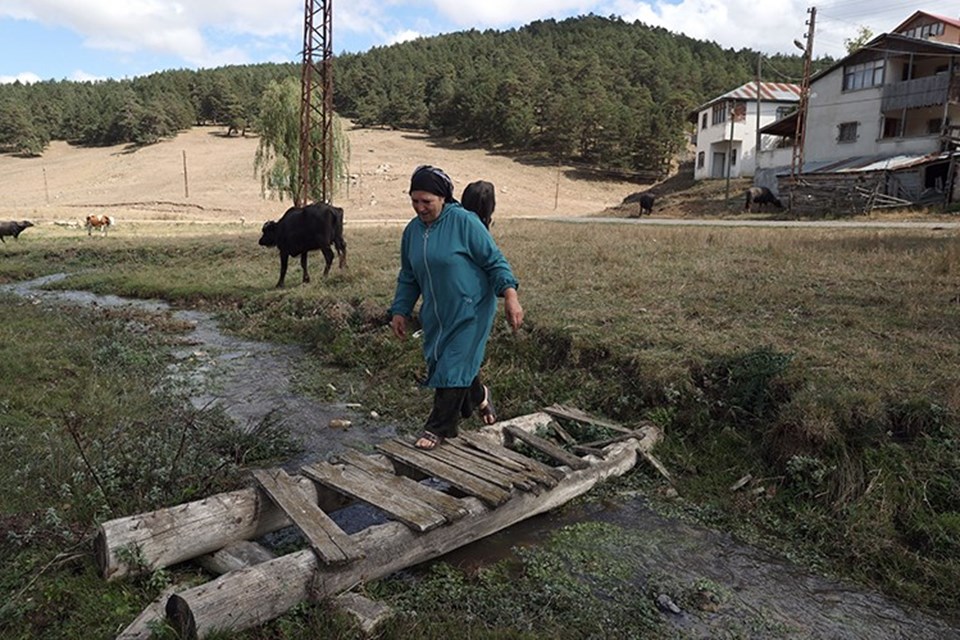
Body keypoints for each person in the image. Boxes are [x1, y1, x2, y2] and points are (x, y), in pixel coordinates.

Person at [389, 165, 524, 450]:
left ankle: (438, 428)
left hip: (472, 308)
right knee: (446, 362)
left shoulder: (465, 222)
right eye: (415, 201)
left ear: (443, 198)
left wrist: (510, 295)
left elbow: (494, 261)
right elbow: (409, 275)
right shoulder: (412, 232)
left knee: (452, 366)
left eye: (427, 201)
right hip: (438, 312)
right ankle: (479, 395)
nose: (420, 208)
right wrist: (400, 310)